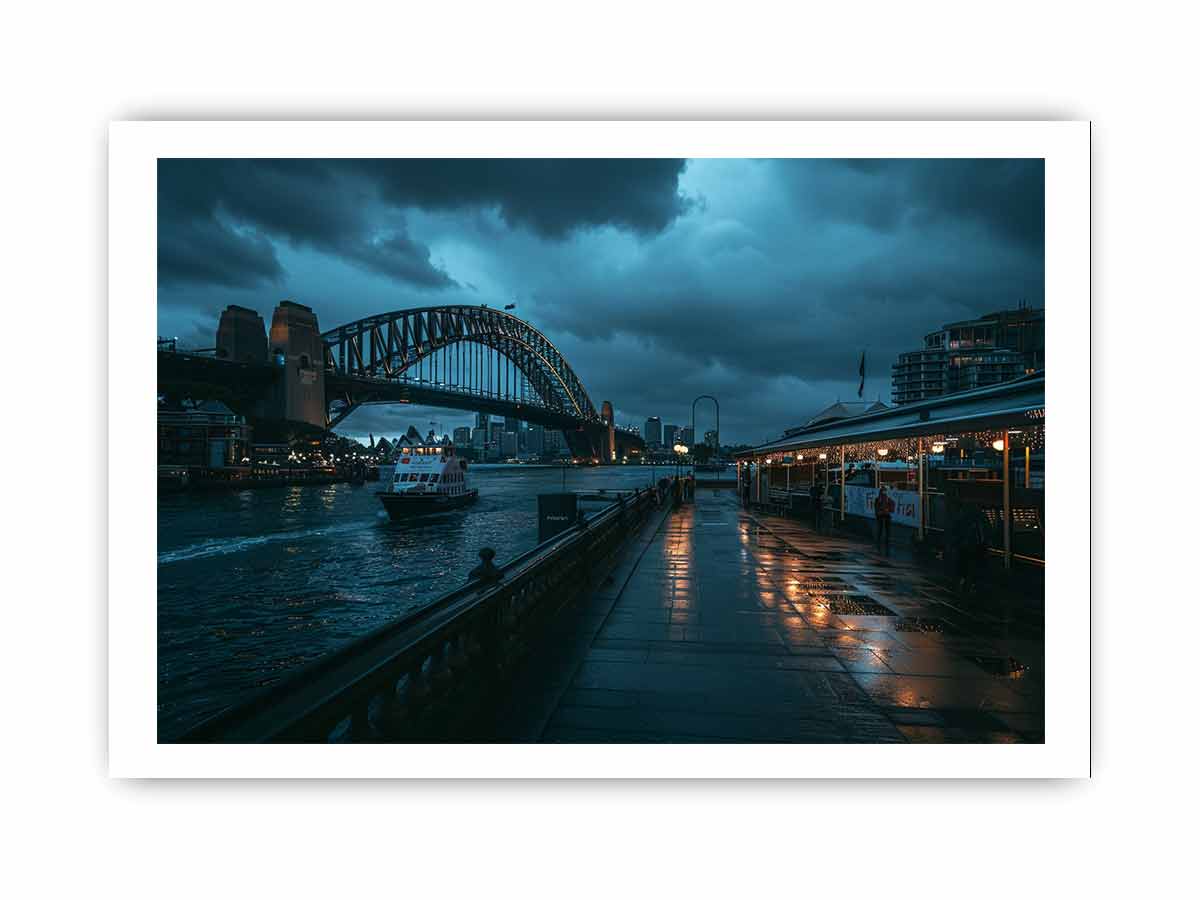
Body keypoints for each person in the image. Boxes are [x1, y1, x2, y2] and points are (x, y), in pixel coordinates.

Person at [874, 485, 894, 554]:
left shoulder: (888, 499)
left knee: (885, 529)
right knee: (881, 529)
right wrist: (880, 512)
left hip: (885, 515)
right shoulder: (879, 499)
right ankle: (881, 541)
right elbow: (876, 508)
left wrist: (887, 510)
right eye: (883, 491)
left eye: (885, 491)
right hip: (881, 516)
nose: (884, 492)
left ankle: (885, 541)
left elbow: (892, 508)